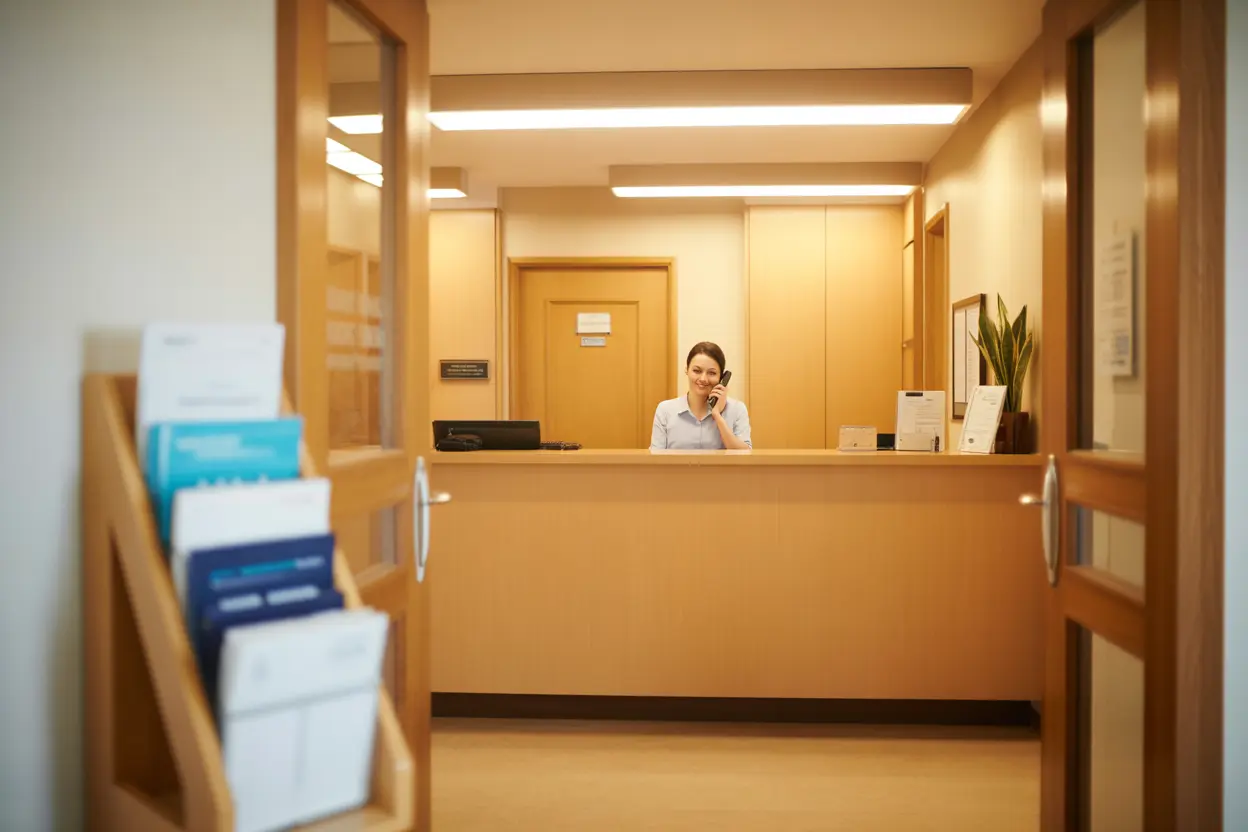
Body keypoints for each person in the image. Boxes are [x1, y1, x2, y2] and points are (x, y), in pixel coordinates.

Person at [650, 342, 752, 450]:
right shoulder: (665, 410)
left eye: (711, 373)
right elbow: (655, 457)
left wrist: (717, 416)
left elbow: (745, 455)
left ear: (721, 377)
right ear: (687, 370)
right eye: (697, 371)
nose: (703, 379)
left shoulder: (737, 410)